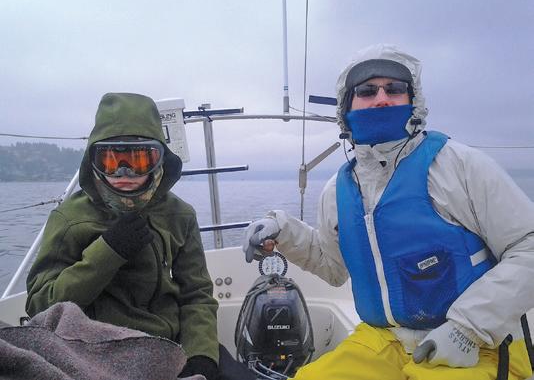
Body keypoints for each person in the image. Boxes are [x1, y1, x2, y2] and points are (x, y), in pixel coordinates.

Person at [243, 44, 534, 379]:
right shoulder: (337, 191)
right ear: (346, 106)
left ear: (413, 100)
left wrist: (466, 329)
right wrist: (283, 232)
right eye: (367, 91)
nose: (381, 99)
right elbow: (334, 267)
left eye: (394, 89)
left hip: (480, 343)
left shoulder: (458, 165)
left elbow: (528, 245)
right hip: (385, 339)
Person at [26, 93, 219, 380]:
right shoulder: (69, 219)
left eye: (139, 160)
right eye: (112, 160)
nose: (124, 172)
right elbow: (41, 305)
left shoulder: (180, 216)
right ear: (93, 160)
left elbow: (196, 295)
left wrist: (200, 355)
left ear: (159, 160)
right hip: (92, 350)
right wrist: (108, 251)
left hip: (167, 346)